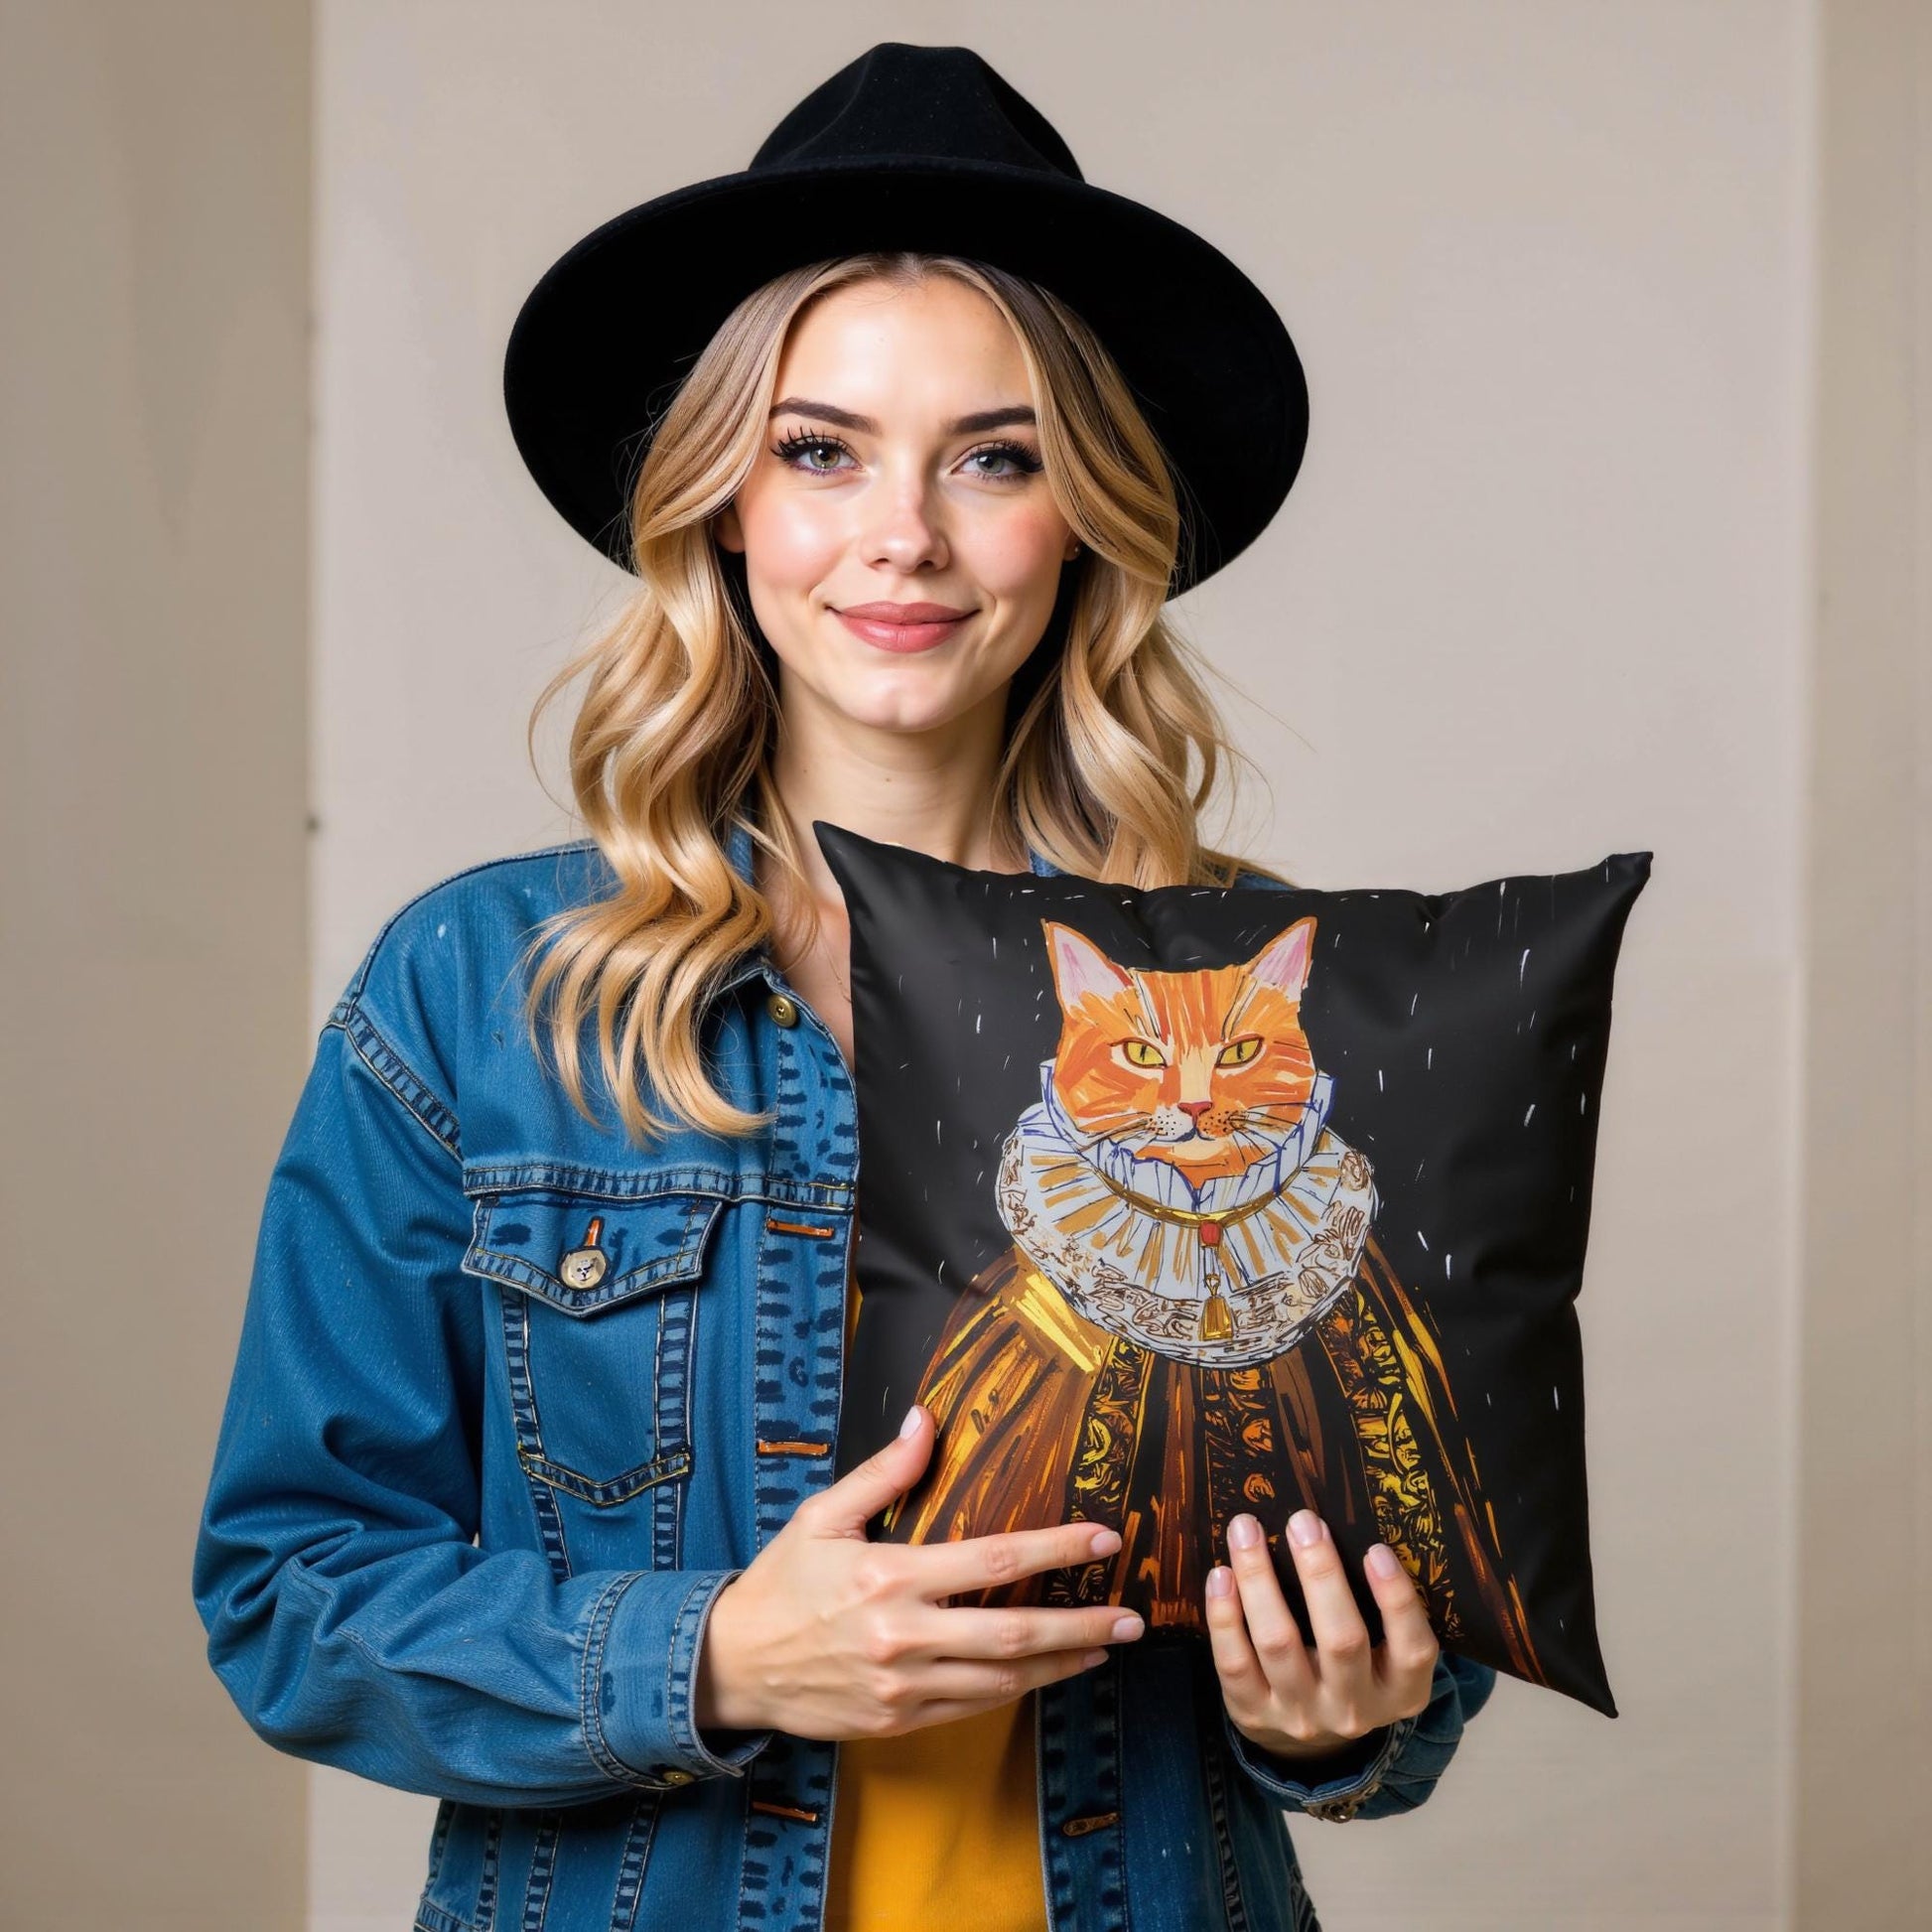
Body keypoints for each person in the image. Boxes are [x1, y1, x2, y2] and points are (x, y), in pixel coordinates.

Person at [194, 42, 1497, 1932]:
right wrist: (708, 1651)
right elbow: (290, 1590)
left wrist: (1342, 1710)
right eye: (819, 449)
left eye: (997, 455)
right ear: (722, 502)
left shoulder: (1275, 1003)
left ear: (1089, 522)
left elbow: (1407, 1649)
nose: (905, 533)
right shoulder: (477, 991)